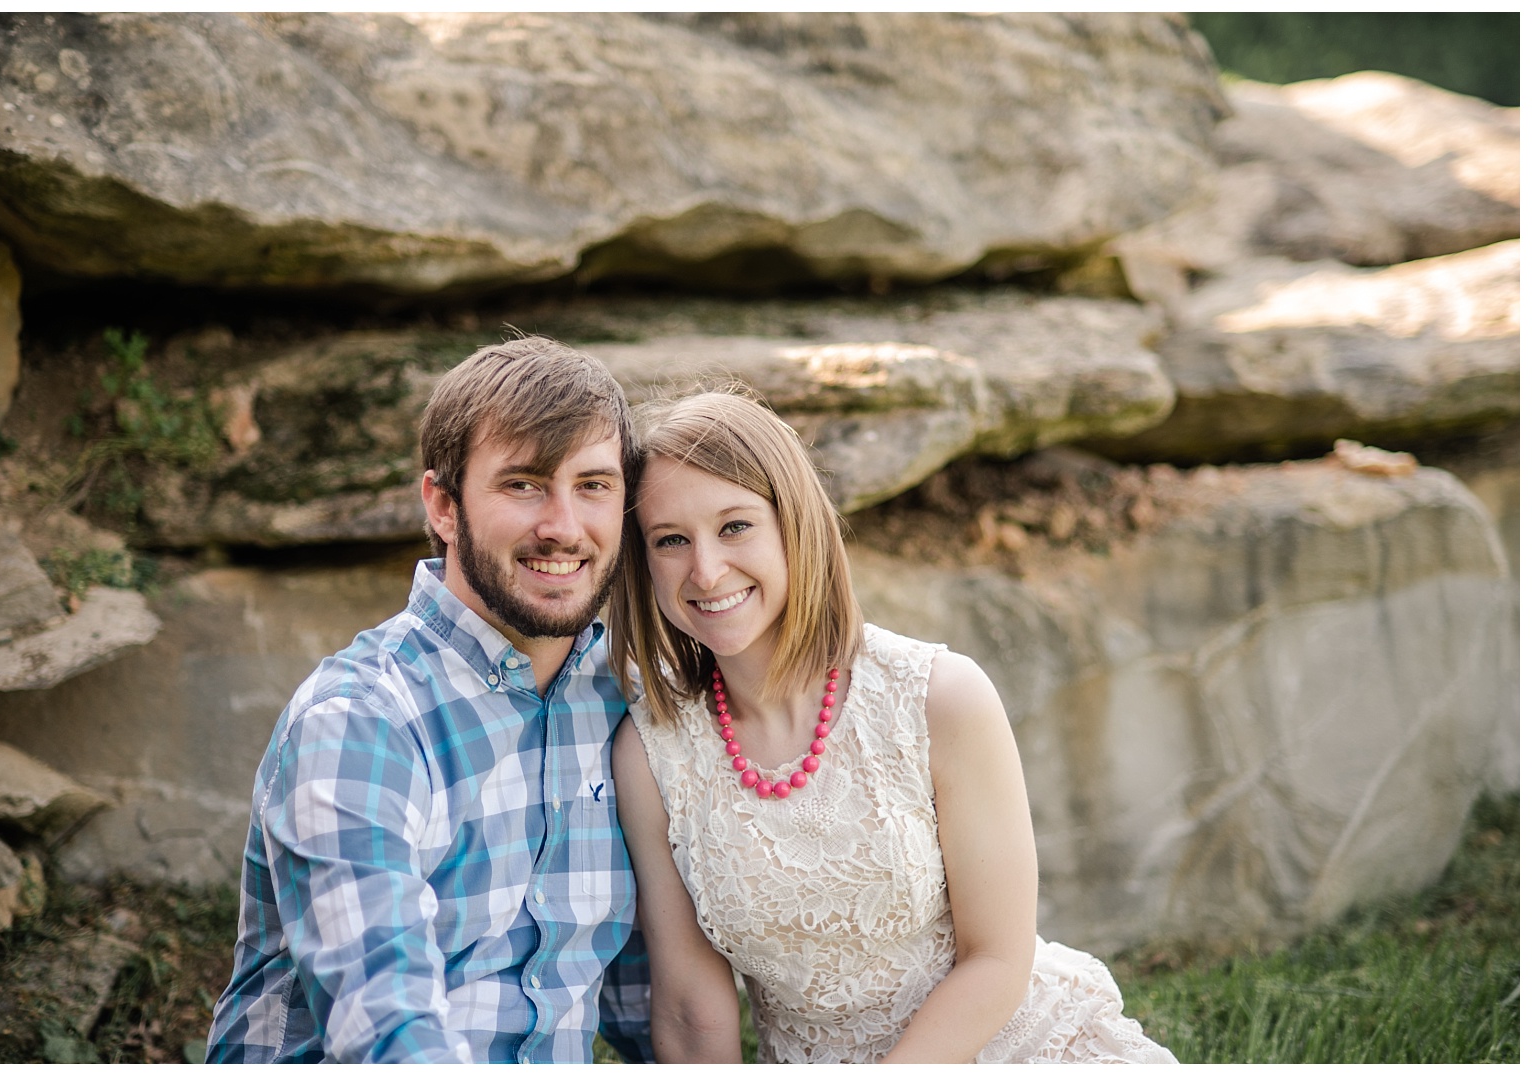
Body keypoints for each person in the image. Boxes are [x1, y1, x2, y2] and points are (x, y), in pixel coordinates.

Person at [609, 390, 1179, 1064]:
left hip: (1004, 1042)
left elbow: (997, 958)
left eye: (735, 526)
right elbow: (688, 1005)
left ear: (796, 527)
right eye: (671, 540)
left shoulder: (939, 698)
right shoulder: (654, 752)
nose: (706, 571)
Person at [207, 337, 650, 1063]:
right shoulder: (359, 718)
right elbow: (384, 1026)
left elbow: (654, 1011)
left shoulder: (628, 703)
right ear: (444, 506)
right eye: (523, 484)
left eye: (593, 485)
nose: (564, 527)